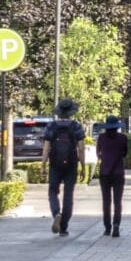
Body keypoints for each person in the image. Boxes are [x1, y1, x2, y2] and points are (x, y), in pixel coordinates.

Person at [42, 97, 85, 236]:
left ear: (59, 111)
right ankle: (64, 227)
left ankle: (56, 214)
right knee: (68, 195)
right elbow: (81, 149)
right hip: (71, 163)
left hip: (55, 163)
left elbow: (46, 148)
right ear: (72, 112)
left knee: (52, 191)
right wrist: (83, 167)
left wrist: (43, 165)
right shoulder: (76, 126)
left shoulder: (51, 126)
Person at [96, 115, 128, 237]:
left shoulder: (101, 138)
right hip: (118, 173)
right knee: (118, 201)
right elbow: (125, 152)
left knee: (106, 201)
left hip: (104, 173)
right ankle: (116, 225)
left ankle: (107, 228)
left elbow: (98, 153)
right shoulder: (122, 138)